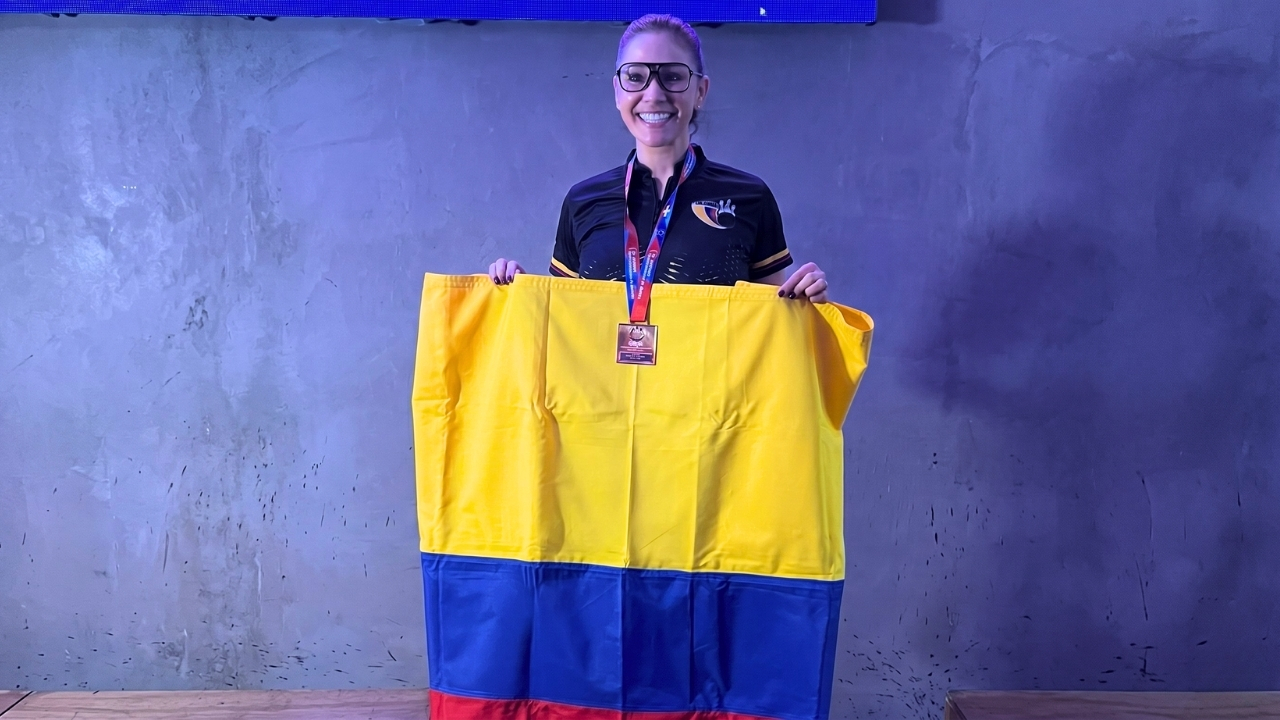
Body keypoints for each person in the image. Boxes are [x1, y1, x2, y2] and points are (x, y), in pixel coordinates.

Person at [488, 13, 829, 303]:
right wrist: (517, 293)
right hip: (605, 385)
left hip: (705, 385)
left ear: (700, 91)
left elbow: (773, 327)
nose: (654, 94)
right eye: (635, 77)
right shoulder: (582, 201)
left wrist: (805, 302)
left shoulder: (749, 197)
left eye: (673, 76)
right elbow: (567, 323)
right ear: (617, 90)